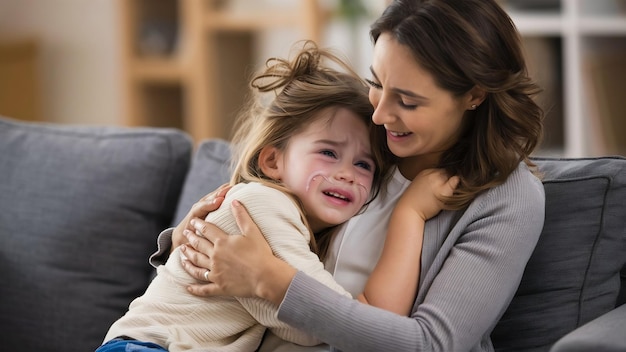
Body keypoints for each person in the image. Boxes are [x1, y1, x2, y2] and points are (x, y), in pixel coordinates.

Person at [156, 0, 546, 351]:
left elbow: (431, 344)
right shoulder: (363, 141)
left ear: (474, 95)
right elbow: (276, 216)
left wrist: (268, 280)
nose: (380, 114)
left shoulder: (506, 196)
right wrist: (189, 241)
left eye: (408, 101)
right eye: (376, 82)